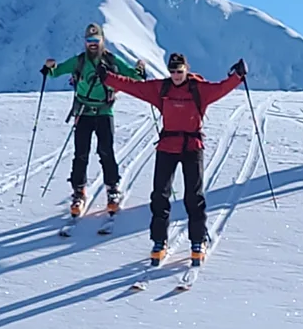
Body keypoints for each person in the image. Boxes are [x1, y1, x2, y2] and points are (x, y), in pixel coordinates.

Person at [100, 53, 245, 269]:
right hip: (167, 147)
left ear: (186, 69)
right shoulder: (162, 88)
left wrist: (238, 77)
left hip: (192, 148)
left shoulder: (199, 89)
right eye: (172, 71)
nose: (176, 75)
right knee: (159, 196)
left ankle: (197, 242)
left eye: (179, 71)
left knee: (193, 197)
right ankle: (159, 241)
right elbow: (133, 87)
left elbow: (220, 88)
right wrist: (107, 78)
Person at [42, 23, 145, 218]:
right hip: (84, 111)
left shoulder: (112, 60)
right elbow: (56, 71)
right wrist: (49, 68)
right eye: (89, 41)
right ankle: (79, 191)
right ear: (85, 42)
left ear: (102, 41)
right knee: (81, 153)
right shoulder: (79, 61)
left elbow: (132, 76)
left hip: (104, 112)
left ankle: (112, 188)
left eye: (95, 41)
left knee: (106, 151)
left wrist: (139, 70)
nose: (92, 44)